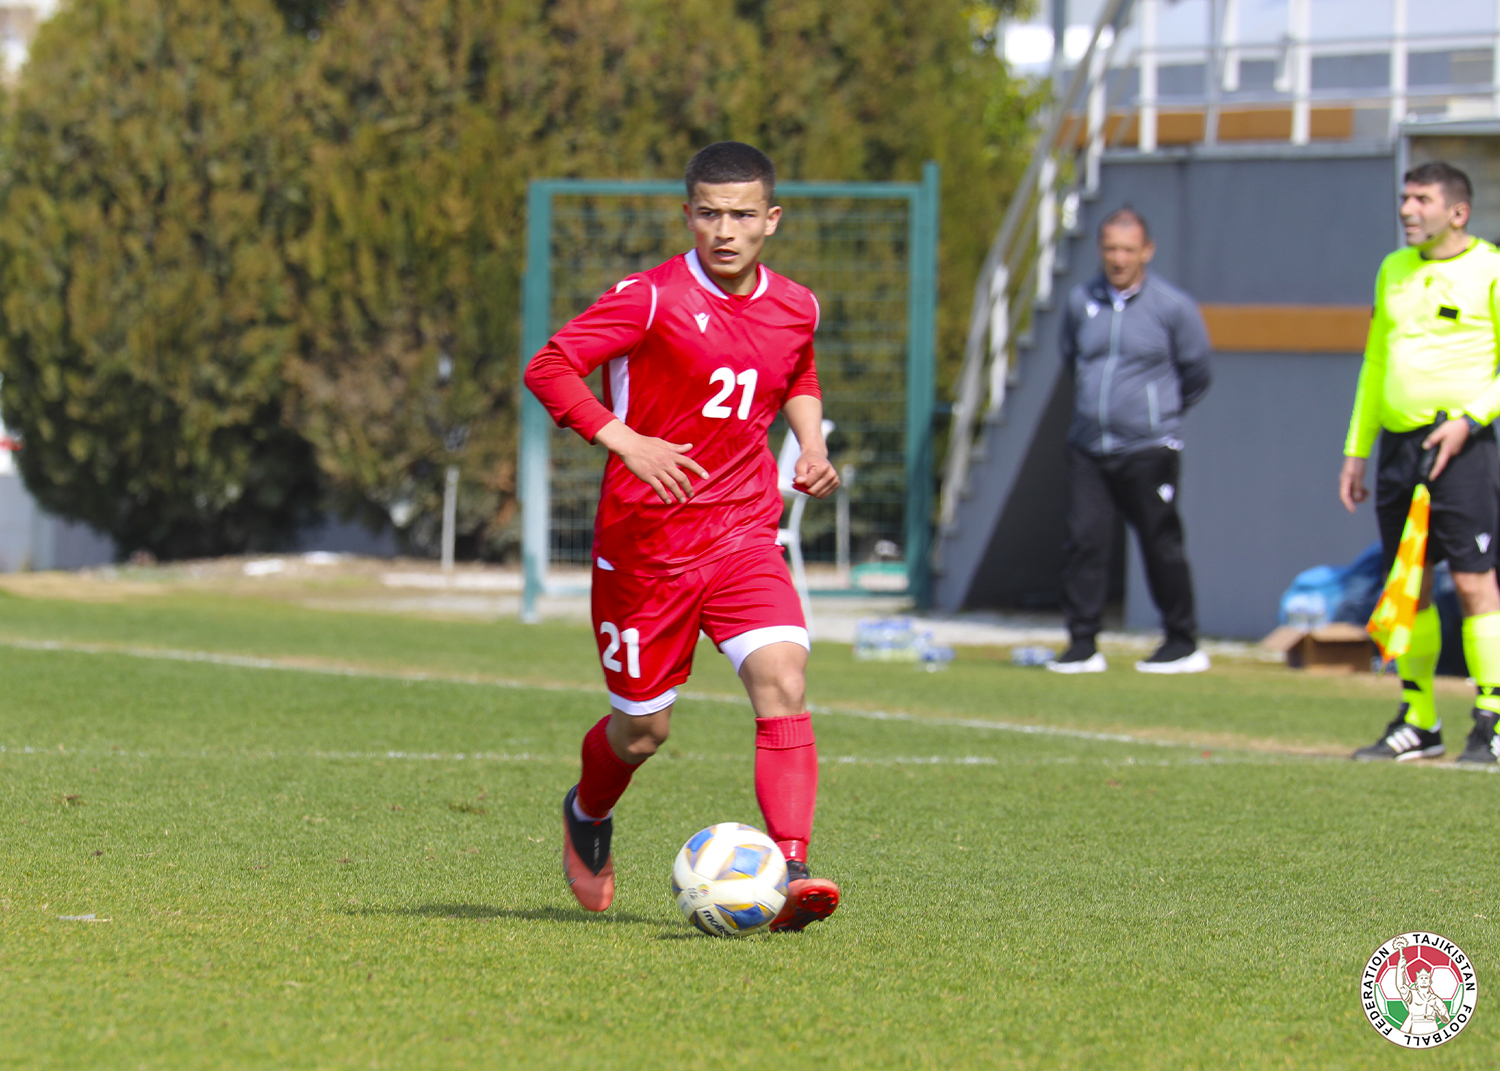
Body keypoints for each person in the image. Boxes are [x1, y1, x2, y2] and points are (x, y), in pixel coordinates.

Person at [524, 141, 841, 930]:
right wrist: (624, 439)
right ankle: (587, 810)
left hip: (742, 532)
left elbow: (797, 372)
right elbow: (550, 366)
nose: (725, 231)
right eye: (709, 213)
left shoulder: (796, 304)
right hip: (646, 549)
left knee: (784, 679)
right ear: (688, 214)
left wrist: (810, 444)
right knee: (642, 732)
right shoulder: (650, 297)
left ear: (772, 219)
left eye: (742, 215)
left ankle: (791, 869)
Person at [1343, 160, 1500, 764]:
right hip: (1398, 450)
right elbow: (1375, 362)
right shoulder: (1393, 269)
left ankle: (1492, 719)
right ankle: (1420, 720)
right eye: (1405, 198)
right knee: (1408, 586)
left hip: (1463, 446)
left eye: (1422, 200)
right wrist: (1356, 449)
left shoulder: (1489, 269)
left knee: (1474, 581)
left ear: (1458, 212)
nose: (1407, 209)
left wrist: (1471, 419)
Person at [1047, 208, 1213, 675]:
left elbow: (1198, 372)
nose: (1118, 259)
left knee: (1161, 544)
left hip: (1148, 448)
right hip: (1088, 447)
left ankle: (1181, 642)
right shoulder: (1081, 301)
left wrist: (1158, 415)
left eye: (1127, 249)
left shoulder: (1172, 307)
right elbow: (1072, 360)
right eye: (1110, 249)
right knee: (1084, 543)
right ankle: (1083, 644)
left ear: (1146, 251)